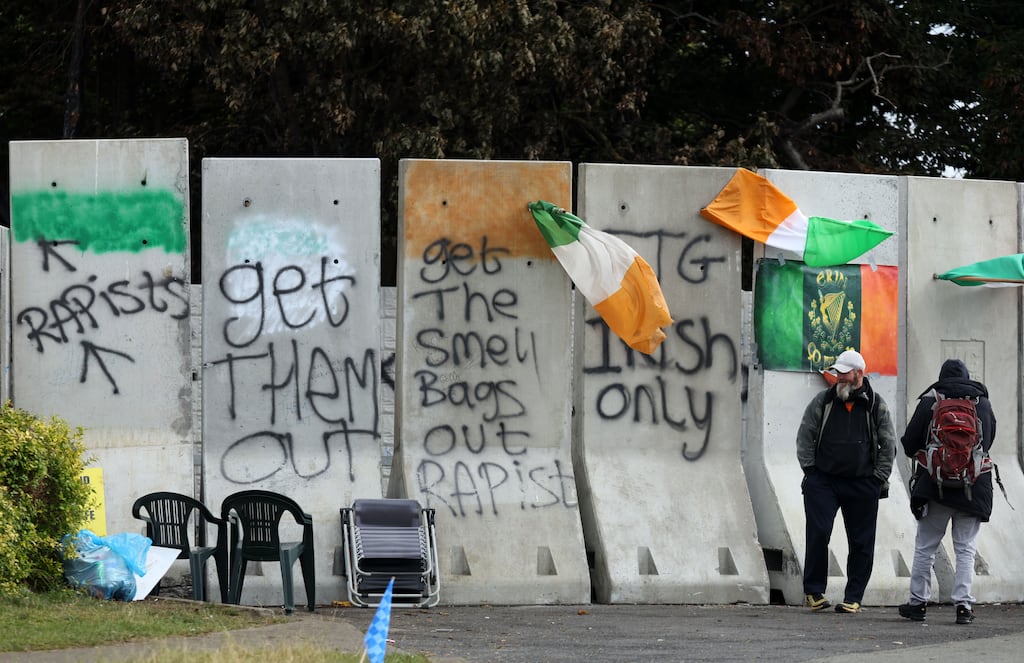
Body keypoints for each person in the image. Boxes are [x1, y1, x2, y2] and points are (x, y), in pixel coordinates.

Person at [796, 349, 896, 613]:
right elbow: (805, 435)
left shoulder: (876, 404)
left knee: (861, 542)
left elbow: (888, 444)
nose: (838, 377)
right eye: (837, 372)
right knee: (818, 534)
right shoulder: (823, 401)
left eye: (844, 372)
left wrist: (878, 478)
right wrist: (811, 472)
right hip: (823, 482)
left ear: (858, 374)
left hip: (863, 483)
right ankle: (814, 592)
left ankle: (853, 597)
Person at [897, 358, 995, 625]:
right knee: (965, 549)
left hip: (935, 485)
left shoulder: (931, 400)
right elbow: (989, 441)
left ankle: (918, 604)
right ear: (966, 376)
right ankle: (963, 606)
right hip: (972, 487)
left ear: (941, 377)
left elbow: (908, 443)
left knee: (925, 547)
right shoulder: (981, 402)